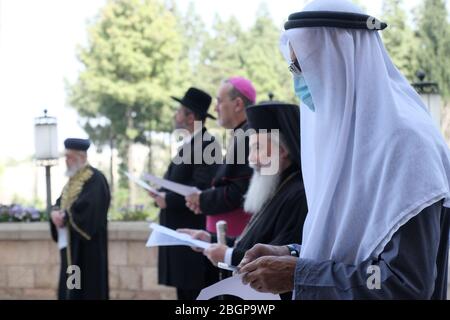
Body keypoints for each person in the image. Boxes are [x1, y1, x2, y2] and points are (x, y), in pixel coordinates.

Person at [238, 0, 450, 300]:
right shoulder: (350, 144)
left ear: (340, 59)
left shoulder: (406, 145)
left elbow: (404, 283)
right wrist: (290, 253)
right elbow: (355, 249)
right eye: (292, 67)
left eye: (302, 67)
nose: (298, 80)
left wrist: (297, 274)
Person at [180, 101, 308, 300]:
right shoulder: (277, 188)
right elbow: (253, 242)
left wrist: (228, 255)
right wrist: (209, 239)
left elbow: (280, 261)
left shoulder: (298, 195)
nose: (251, 158)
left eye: (257, 148)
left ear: (282, 151)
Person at [149, 87, 220, 300]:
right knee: (184, 293)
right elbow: (175, 182)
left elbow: (201, 186)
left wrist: (168, 200)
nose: (175, 116)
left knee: (195, 294)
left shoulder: (208, 144)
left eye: (179, 111)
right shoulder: (189, 144)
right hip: (177, 232)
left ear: (191, 117)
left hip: (192, 231)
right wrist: (157, 193)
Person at [185, 77, 257, 238]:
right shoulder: (242, 133)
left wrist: (202, 199)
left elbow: (237, 192)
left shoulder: (248, 135)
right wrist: (203, 202)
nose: (216, 109)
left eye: (219, 102)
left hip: (234, 239)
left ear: (238, 104)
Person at [50, 138, 110, 300]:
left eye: (69, 157)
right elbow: (60, 203)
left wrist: (67, 216)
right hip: (70, 244)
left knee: (87, 287)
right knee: (71, 285)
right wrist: (55, 212)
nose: (66, 161)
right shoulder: (71, 181)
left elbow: (90, 209)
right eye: (66, 157)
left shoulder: (95, 179)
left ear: (81, 157)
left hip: (87, 247)